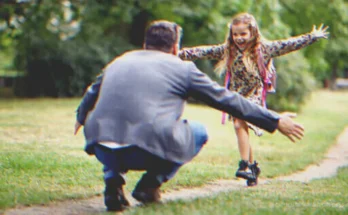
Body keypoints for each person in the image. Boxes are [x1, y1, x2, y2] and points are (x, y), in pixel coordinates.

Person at [74, 20, 304, 212]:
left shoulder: (119, 60)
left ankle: (112, 180)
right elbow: (227, 99)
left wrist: (80, 116)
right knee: (199, 131)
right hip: (146, 150)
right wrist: (275, 120)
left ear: (145, 44)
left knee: (116, 126)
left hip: (101, 146)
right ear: (176, 48)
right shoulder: (183, 69)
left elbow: (93, 90)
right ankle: (149, 185)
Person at [178, 12, 329, 184]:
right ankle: (252, 168)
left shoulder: (264, 49)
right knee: (241, 127)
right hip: (236, 94)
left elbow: (289, 44)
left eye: (243, 34)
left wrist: (312, 37)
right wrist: (177, 53)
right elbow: (203, 51)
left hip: (255, 93)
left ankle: (244, 165)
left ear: (253, 32)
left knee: (238, 124)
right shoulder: (228, 50)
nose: (239, 38)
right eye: (235, 34)